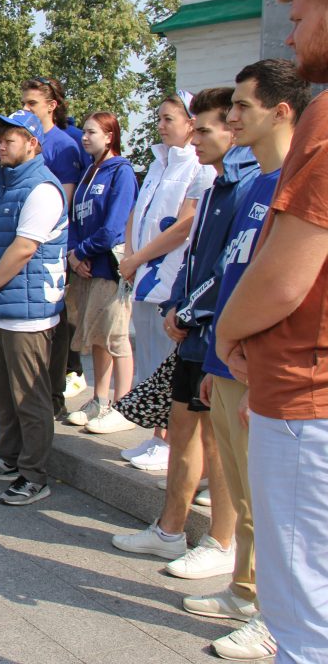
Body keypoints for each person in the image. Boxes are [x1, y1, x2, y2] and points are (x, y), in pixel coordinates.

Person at [217, 0, 328, 662]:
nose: (291, 38)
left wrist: (229, 332)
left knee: (303, 623)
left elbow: (286, 277)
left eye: (300, 18)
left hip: (304, 395)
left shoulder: (325, 115)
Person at [111, 88, 258, 587]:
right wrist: (181, 305)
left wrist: (187, 310)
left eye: (205, 130)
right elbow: (199, 261)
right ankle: (170, 528)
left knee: (216, 440)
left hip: (219, 333)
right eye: (192, 129)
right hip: (196, 328)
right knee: (184, 427)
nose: (194, 140)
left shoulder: (248, 186)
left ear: (231, 131)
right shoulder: (217, 185)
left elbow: (231, 267)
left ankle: (221, 541)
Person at [192, 60, 308, 662]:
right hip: (228, 360)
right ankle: (244, 591)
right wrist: (217, 358)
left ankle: (274, 618)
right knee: (239, 490)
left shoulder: (299, 177)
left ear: (281, 111)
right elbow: (234, 272)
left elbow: (285, 288)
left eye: (241, 107)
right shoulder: (258, 183)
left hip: (266, 369)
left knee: (273, 505)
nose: (230, 116)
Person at [89, 91, 215, 465]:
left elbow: (183, 227)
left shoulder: (198, 166)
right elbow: (136, 214)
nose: (160, 126)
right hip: (143, 275)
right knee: (148, 358)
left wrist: (137, 258)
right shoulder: (159, 163)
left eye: (168, 119)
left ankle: (174, 444)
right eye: (159, 118)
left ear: (191, 124)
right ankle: (157, 435)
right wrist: (130, 256)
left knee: (167, 364)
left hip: (169, 277)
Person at [0, 109, 67, 506]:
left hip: (28, 312)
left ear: (33, 143)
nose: (1, 145)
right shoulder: (3, 186)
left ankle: (34, 474)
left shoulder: (42, 188)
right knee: (4, 392)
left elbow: (24, 249)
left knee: (30, 398)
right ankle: (8, 458)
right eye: (0, 138)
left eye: (10, 139)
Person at [63, 112, 137, 427]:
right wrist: (73, 255)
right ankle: (100, 400)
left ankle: (123, 406)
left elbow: (114, 228)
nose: (84, 137)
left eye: (92, 132)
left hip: (109, 267)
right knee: (96, 336)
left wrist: (82, 251)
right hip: (86, 267)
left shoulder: (121, 172)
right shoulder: (90, 171)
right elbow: (75, 219)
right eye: (84, 132)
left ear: (110, 136)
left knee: (115, 337)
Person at [21, 77, 88, 414]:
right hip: (22, 242)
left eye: (32, 103)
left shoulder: (63, 144)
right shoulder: (25, 139)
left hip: (50, 247)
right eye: (24, 102)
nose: (25, 108)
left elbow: (63, 199)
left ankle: (54, 395)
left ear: (52, 105)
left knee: (54, 323)